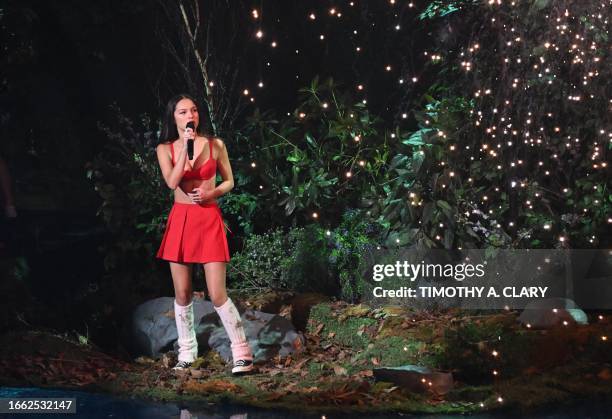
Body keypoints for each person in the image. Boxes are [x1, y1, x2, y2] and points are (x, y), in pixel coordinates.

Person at [155, 94, 253, 374]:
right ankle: (187, 352)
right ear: (173, 117)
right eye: (183, 111)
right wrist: (185, 151)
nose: (190, 116)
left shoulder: (215, 144)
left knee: (217, 292)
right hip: (181, 221)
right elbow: (172, 181)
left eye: (194, 111)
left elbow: (230, 181)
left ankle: (242, 354)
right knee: (183, 292)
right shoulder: (165, 149)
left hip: (208, 218)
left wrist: (212, 192)